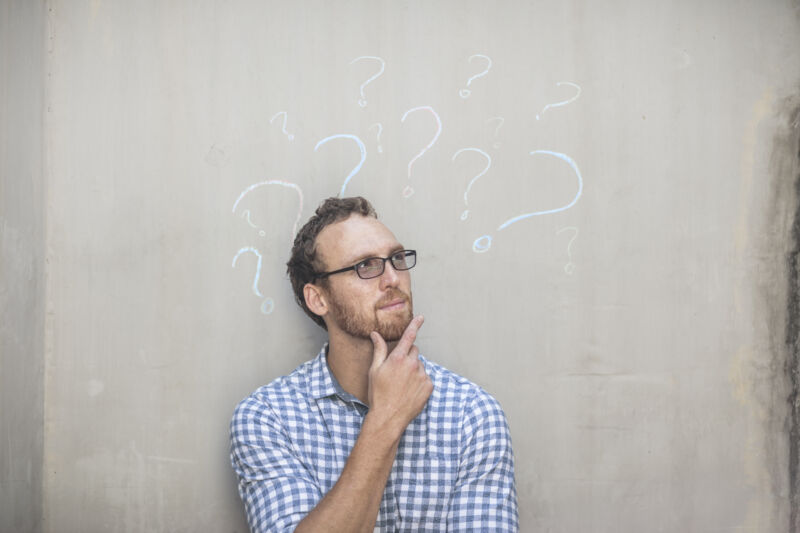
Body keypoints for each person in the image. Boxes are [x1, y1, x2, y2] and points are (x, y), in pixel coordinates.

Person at [229, 196, 518, 532]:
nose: (393, 278)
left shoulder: (472, 413)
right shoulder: (268, 417)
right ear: (318, 298)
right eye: (365, 266)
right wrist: (384, 421)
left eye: (396, 258)